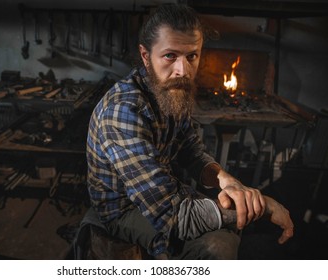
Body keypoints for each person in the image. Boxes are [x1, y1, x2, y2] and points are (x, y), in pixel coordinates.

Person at [86, 3, 293, 259]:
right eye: (170, 56)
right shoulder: (122, 113)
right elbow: (175, 216)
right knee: (220, 244)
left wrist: (225, 179)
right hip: (124, 208)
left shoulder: (171, 90)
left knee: (228, 220)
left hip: (164, 190)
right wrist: (264, 207)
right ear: (145, 55)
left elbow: (190, 149)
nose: (183, 71)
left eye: (192, 56)